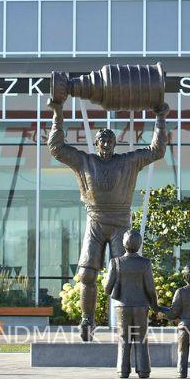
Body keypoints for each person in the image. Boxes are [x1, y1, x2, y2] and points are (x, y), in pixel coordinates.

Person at [48, 94, 168, 341]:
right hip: (95, 220)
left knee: (126, 273)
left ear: (115, 144)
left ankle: (129, 322)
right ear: (96, 143)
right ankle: (87, 320)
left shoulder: (128, 162)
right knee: (87, 275)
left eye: (109, 140)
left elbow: (157, 150)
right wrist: (58, 114)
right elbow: (56, 148)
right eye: (102, 140)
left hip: (120, 222)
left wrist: (160, 118)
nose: (105, 143)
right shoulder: (85, 161)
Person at [104, 230, 160, 379]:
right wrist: (155, 305)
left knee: (124, 338)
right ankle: (143, 370)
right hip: (141, 306)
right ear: (139, 244)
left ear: (123, 244)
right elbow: (150, 288)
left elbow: (107, 289)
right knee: (141, 338)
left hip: (122, 306)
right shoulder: (145, 263)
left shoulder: (115, 262)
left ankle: (123, 370)